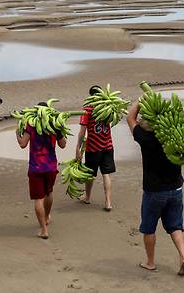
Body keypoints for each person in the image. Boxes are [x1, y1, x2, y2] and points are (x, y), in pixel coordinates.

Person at [126, 100, 184, 276]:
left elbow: (130, 118)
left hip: (155, 192)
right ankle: (183, 256)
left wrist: (140, 102)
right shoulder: (176, 137)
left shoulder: (145, 138)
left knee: (149, 228)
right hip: (176, 189)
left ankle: (150, 262)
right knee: (175, 226)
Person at [16, 103, 67, 239]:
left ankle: (44, 230)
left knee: (38, 198)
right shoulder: (55, 126)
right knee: (49, 193)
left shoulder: (31, 126)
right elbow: (63, 145)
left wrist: (17, 133)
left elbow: (22, 144)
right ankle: (47, 216)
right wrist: (60, 130)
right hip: (51, 167)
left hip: (36, 167)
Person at [76, 85, 115, 211]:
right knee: (106, 173)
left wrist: (78, 147)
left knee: (90, 174)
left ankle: (87, 197)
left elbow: (82, 131)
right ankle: (108, 202)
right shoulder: (108, 107)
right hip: (108, 145)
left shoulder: (87, 109)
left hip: (93, 148)